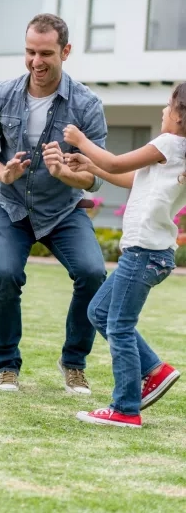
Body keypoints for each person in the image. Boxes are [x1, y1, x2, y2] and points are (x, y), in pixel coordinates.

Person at [0, 13, 108, 394]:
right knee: (7, 275)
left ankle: (74, 362)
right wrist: (1, 172)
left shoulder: (87, 104)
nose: (36, 61)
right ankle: (7, 365)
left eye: (46, 53)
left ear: (66, 51)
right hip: (11, 207)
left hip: (63, 211)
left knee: (93, 274)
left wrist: (65, 172)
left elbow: (95, 175)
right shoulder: (3, 94)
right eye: (30, 52)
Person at [62, 84, 185, 428]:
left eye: (167, 105)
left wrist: (81, 139)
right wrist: (91, 165)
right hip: (149, 252)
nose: (163, 111)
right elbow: (131, 178)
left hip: (144, 252)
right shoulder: (176, 152)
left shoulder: (168, 144)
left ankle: (126, 407)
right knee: (99, 312)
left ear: (179, 115)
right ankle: (155, 371)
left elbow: (116, 160)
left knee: (119, 325)